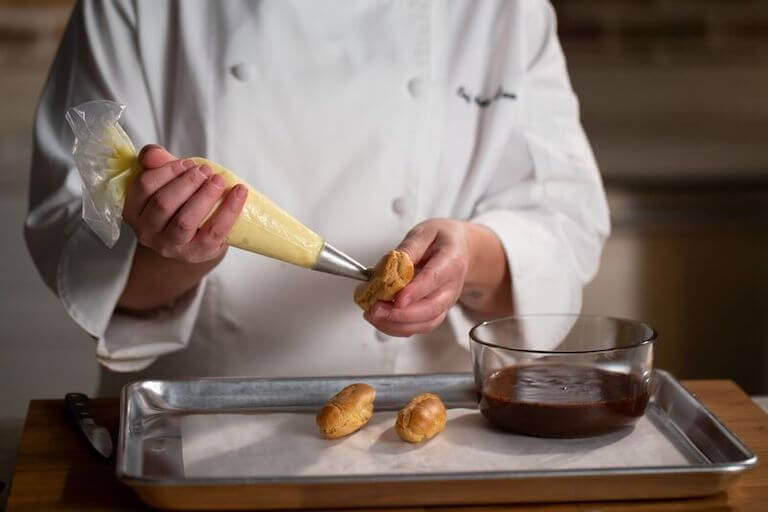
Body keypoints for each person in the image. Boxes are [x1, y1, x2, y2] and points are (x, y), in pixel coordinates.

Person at [25, 0, 609, 394]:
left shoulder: (503, 10)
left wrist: (467, 255)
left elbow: (561, 221)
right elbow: (79, 235)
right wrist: (175, 247)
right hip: (197, 420)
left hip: (422, 426)